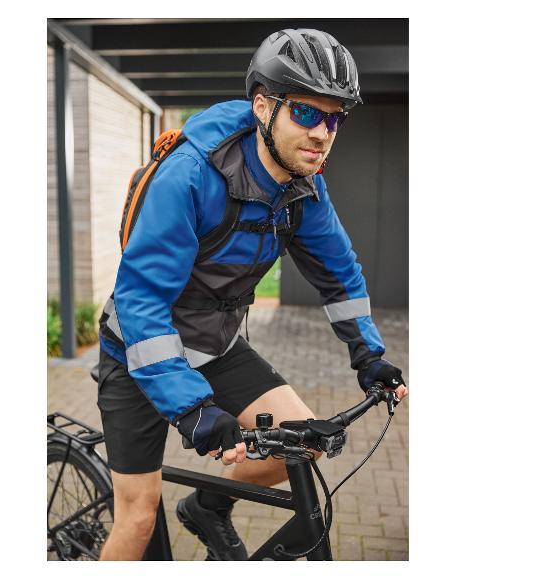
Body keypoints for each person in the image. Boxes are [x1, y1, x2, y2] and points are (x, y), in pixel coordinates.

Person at [92, 28, 407, 561]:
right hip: (137, 350)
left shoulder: (303, 185)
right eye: (306, 113)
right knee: (139, 517)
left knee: (302, 445)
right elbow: (141, 301)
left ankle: (206, 507)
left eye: (334, 119)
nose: (322, 133)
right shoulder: (190, 176)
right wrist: (194, 410)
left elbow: (339, 273)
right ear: (263, 106)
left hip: (214, 343)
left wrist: (368, 354)